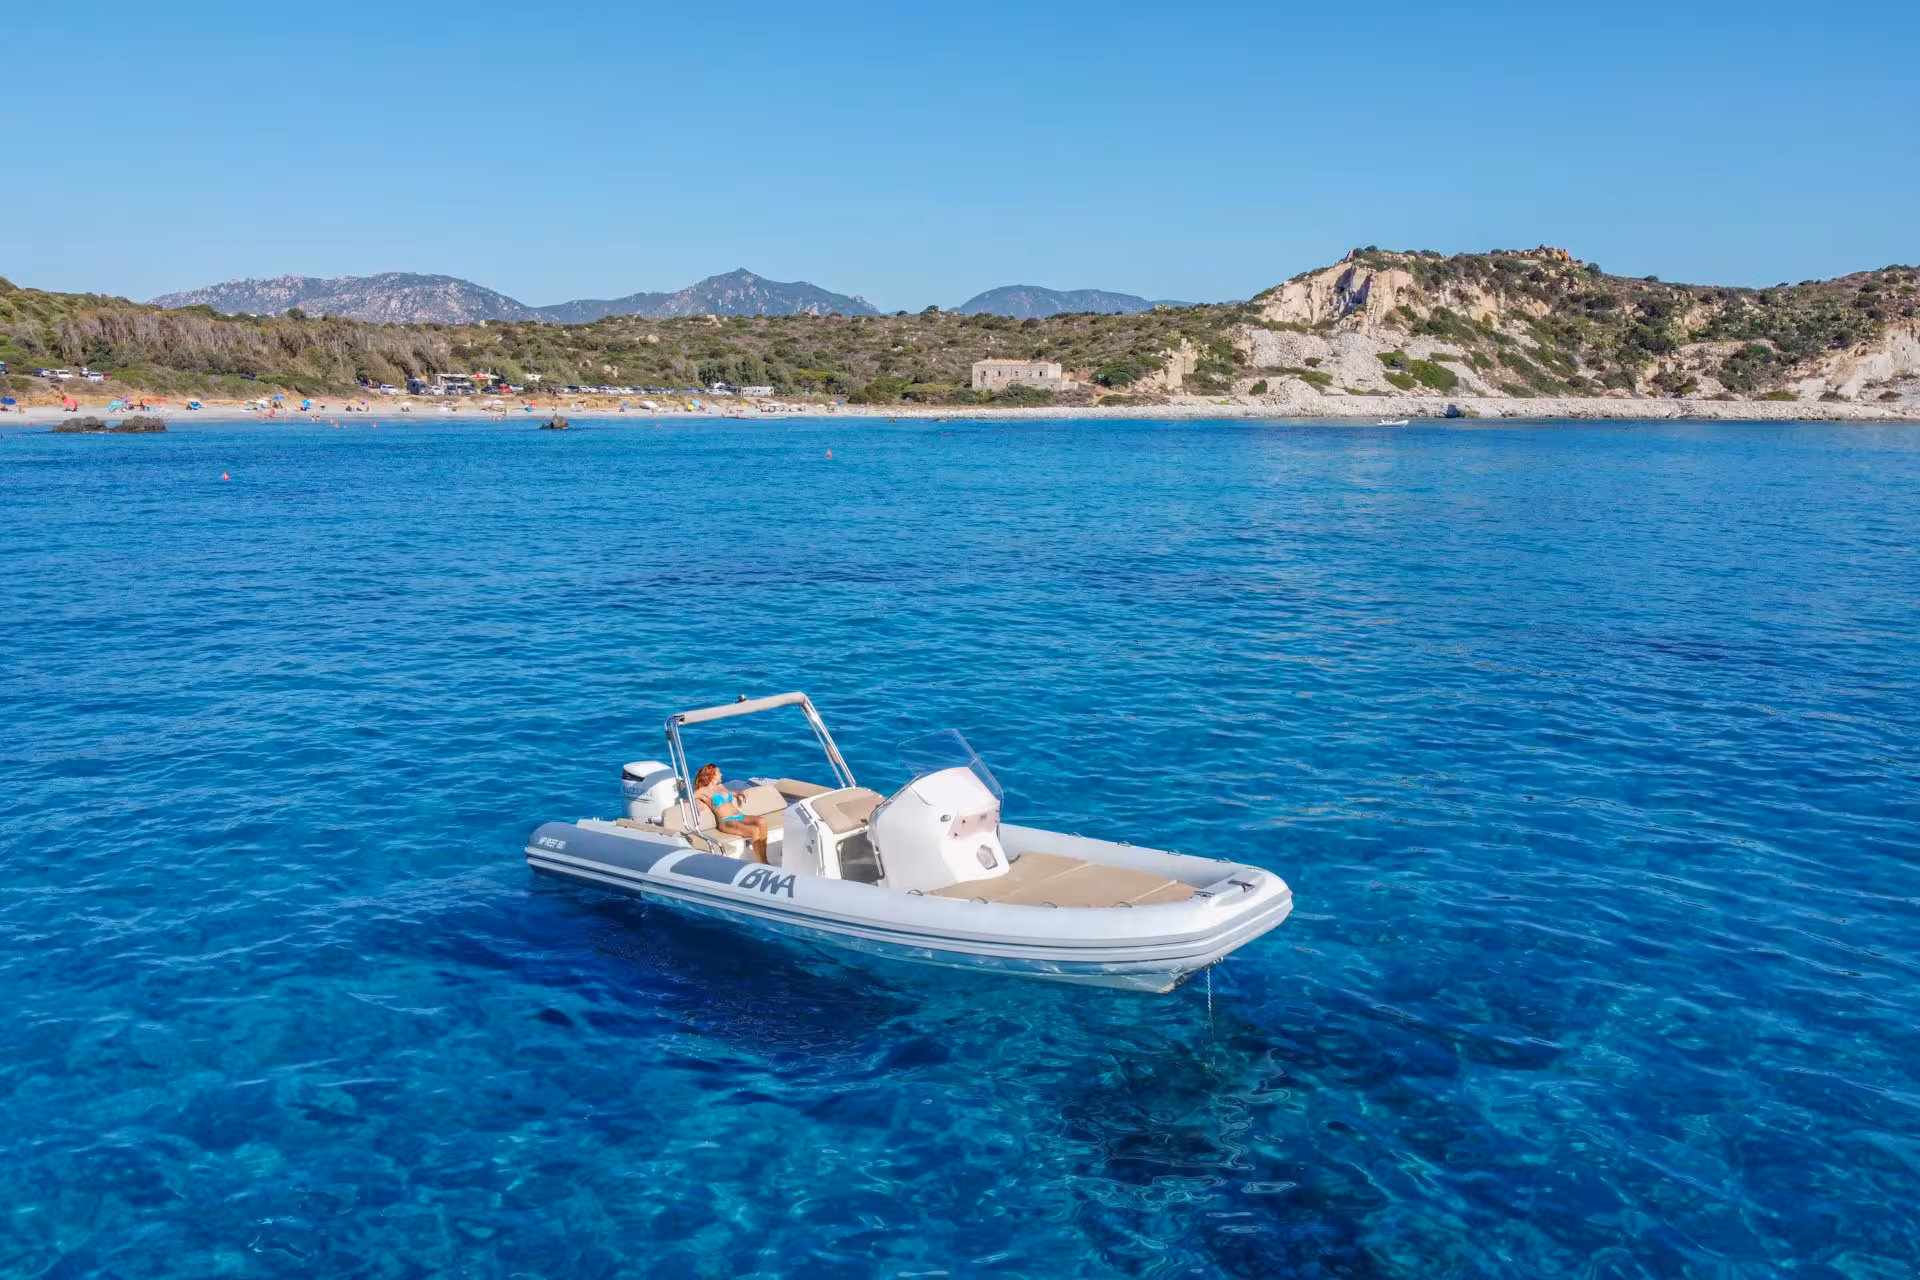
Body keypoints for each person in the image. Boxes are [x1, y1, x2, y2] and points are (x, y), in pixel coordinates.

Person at [692, 763, 768, 862]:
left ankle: (764, 857)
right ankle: (762, 862)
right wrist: (698, 802)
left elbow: (728, 794)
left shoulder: (721, 787)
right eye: (718, 772)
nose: (721, 774)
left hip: (739, 816)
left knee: (762, 822)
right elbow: (690, 798)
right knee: (754, 830)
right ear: (712, 775)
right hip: (726, 821)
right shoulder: (704, 791)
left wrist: (738, 794)